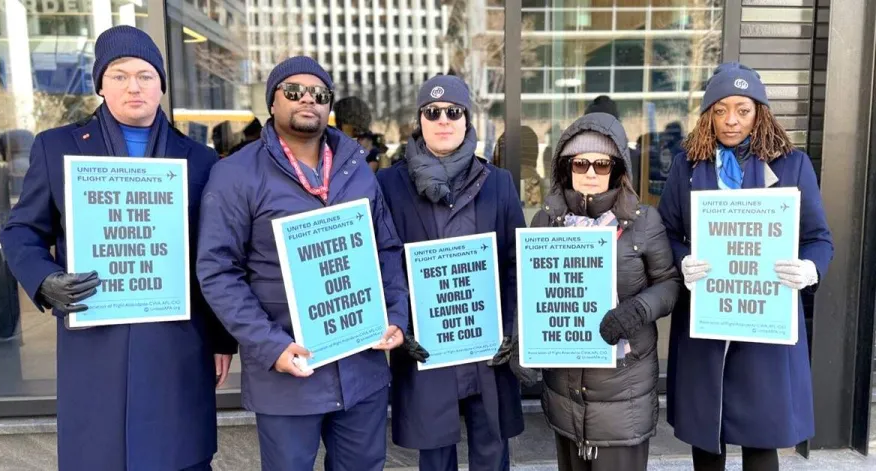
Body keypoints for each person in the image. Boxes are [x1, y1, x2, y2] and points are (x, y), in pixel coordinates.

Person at [0, 25, 236, 471]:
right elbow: (20, 232)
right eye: (120, 74)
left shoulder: (200, 159)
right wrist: (44, 279)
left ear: (161, 85)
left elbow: (214, 255)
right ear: (101, 85)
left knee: (180, 455)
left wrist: (223, 338)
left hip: (177, 343)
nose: (134, 86)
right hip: (96, 344)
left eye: (146, 75)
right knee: (99, 455)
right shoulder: (58, 147)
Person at [195, 56, 409, 471]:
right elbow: (218, 271)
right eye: (293, 91)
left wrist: (396, 314)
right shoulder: (236, 174)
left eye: (319, 93)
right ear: (272, 102)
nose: (307, 99)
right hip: (289, 371)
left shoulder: (357, 168)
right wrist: (270, 346)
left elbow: (385, 249)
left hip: (360, 366)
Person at [658, 62, 834, 471]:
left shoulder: (791, 164)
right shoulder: (688, 164)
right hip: (706, 318)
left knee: (761, 440)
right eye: (719, 110)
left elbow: (819, 239)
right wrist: (682, 260)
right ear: (707, 115)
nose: (730, 120)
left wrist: (809, 269)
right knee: (707, 438)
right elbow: (665, 230)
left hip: (763, 321)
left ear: (760, 111)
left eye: (742, 109)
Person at [376, 75, 526, 471]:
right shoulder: (388, 184)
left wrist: (509, 325)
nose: (443, 120)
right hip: (427, 347)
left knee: (492, 452)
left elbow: (514, 262)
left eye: (453, 112)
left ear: (467, 119)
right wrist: (400, 326)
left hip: (486, 348)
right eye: (433, 112)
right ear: (420, 120)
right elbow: (380, 261)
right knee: (435, 456)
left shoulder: (499, 183)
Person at [527, 112, 680, 471]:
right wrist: (524, 342)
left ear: (618, 167)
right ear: (566, 168)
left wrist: (639, 309)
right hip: (565, 390)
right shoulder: (546, 221)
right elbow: (533, 292)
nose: (591, 173)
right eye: (581, 163)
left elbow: (670, 284)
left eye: (602, 163)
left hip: (622, 390)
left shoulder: (645, 221)